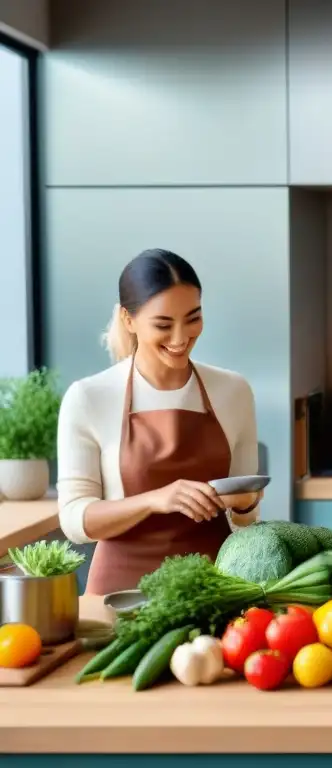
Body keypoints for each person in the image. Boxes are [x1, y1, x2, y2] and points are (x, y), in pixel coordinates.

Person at [56, 249, 263, 595]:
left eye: (193, 318)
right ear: (128, 319)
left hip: (215, 588)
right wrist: (156, 499)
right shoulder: (89, 397)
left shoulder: (233, 391)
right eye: (163, 325)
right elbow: (75, 521)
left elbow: (245, 521)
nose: (181, 338)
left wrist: (245, 504)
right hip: (120, 595)